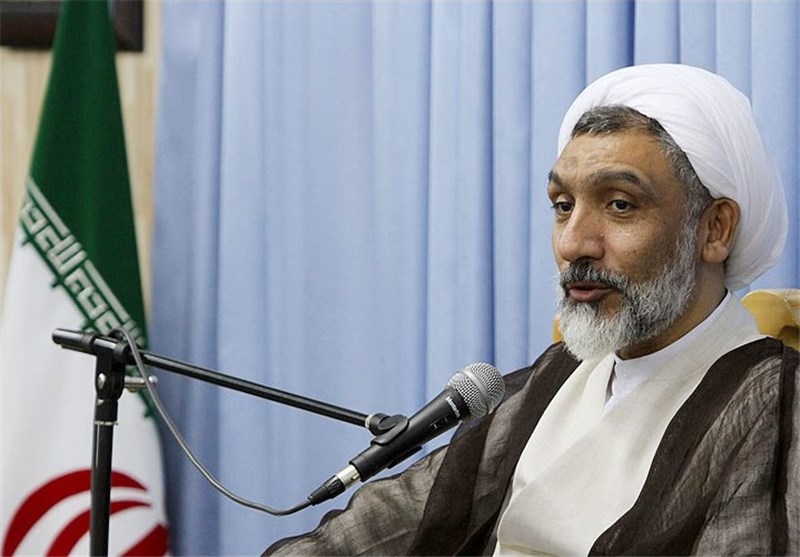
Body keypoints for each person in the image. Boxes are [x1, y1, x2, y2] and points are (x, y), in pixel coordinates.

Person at [264, 64, 798, 556]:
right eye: (563, 206)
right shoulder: (557, 376)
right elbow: (397, 517)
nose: (573, 243)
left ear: (715, 230)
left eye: (620, 205)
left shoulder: (772, 409)